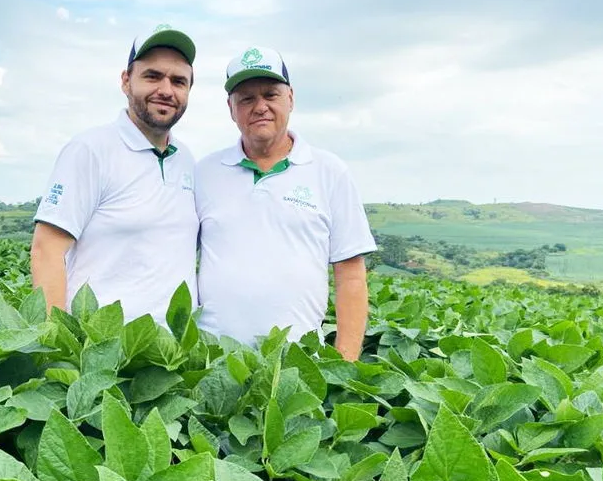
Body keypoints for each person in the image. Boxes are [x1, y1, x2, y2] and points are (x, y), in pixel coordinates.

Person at [194, 46, 377, 361]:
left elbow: (350, 274)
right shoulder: (203, 173)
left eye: (270, 94)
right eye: (246, 98)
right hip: (214, 364)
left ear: (290, 97)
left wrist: (344, 365)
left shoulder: (329, 171)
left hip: (299, 364)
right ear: (230, 108)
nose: (260, 106)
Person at [30, 25, 199, 327]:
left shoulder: (185, 159)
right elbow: (47, 250)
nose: (166, 90)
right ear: (126, 81)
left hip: (172, 357)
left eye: (178, 81)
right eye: (152, 76)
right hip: (101, 348)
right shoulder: (91, 150)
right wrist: (54, 342)